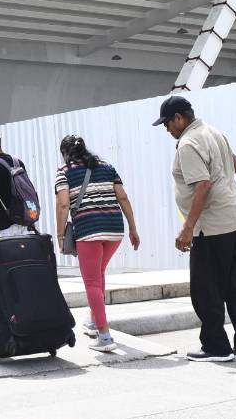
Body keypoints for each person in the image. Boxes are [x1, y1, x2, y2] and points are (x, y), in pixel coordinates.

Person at [155, 94, 236, 363]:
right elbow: (235, 165)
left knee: (206, 290)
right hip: (235, 222)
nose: (167, 130)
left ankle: (216, 347)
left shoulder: (189, 143)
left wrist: (187, 228)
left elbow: (202, 185)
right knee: (235, 285)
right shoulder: (214, 132)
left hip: (211, 229)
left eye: (167, 124)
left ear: (179, 118)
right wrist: (222, 184)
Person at [53, 134, 140, 352]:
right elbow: (123, 198)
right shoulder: (107, 167)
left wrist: (61, 235)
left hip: (89, 230)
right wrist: (133, 228)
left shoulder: (64, 172)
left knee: (91, 282)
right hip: (114, 230)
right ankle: (93, 320)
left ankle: (104, 336)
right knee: (99, 273)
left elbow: (63, 205)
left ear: (65, 154)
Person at [0, 127, 35, 237]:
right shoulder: (17, 162)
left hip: (6, 227)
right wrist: (32, 221)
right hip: (25, 223)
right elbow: (28, 193)